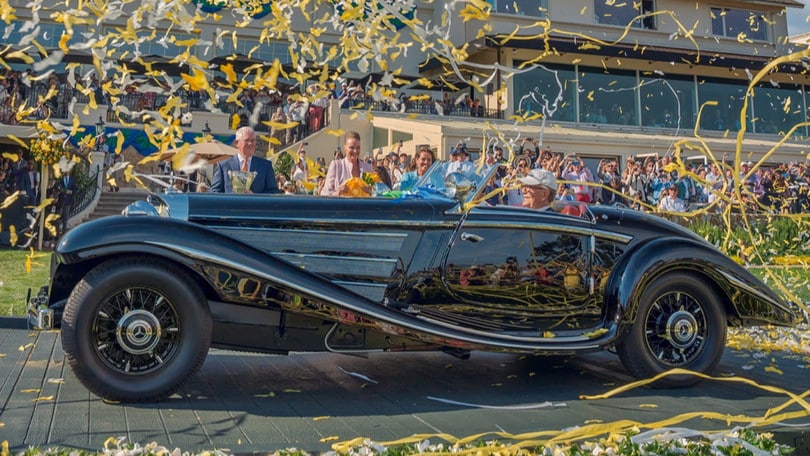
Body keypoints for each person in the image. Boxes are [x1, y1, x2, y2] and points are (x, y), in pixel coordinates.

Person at [209, 126, 280, 194]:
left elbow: (274, 192)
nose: (250, 143)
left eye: (253, 140)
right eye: (247, 140)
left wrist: (255, 197)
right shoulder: (223, 166)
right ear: (237, 143)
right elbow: (214, 192)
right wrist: (232, 197)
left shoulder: (265, 166)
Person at [320, 131, 373, 196]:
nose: (355, 151)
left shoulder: (368, 168)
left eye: (358, 148)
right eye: (351, 147)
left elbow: (378, 193)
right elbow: (324, 193)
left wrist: (371, 191)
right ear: (344, 147)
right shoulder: (336, 166)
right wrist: (337, 193)